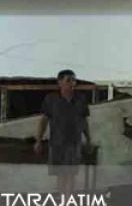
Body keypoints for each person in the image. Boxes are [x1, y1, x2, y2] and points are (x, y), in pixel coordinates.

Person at [35, 69, 91, 198]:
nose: (72, 83)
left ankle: (68, 204)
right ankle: (62, 201)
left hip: (74, 142)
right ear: (60, 82)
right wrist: (39, 140)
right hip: (57, 142)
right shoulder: (51, 99)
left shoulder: (80, 99)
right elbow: (44, 120)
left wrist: (88, 139)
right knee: (61, 174)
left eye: (73, 80)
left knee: (71, 174)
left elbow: (84, 122)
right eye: (68, 80)